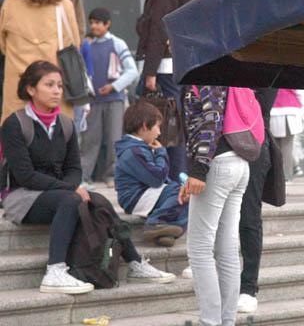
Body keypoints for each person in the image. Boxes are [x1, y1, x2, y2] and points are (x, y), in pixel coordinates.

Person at [0, 61, 175, 294]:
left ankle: (135, 262)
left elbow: (74, 168)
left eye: (60, 86)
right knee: (71, 200)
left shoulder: (66, 124)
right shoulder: (15, 124)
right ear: (31, 89)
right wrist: (68, 189)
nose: (57, 91)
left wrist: (71, 186)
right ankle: (54, 270)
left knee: (100, 201)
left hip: (59, 192)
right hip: (22, 196)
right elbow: (25, 176)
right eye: (49, 85)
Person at [179, 85, 253, 326]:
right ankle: (226, 321)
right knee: (227, 249)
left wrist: (199, 171)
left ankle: (211, 322)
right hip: (237, 163)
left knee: (199, 249)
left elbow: (212, 120)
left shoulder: (205, 70)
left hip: (217, 165)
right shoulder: (222, 67)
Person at [136, 0, 203, 180]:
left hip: (164, 69)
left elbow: (157, 28)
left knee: (167, 127)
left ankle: (173, 182)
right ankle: (181, 178)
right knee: (183, 125)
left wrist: (149, 72)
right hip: (187, 65)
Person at [0, 0, 79, 123]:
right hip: (54, 89)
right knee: (54, 139)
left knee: (16, 137)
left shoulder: (10, 2)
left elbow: (2, 44)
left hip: (18, 87)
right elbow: (73, 45)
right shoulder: (65, 6)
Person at [114, 101, 188, 247]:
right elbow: (156, 178)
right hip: (134, 198)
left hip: (146, 194)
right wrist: (161, 153)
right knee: (180, 192)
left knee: (184, 195)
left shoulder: (139, 147)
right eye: (157, 127)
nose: (159, 133)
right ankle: (156, 223)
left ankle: (165, 233)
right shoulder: (133, 152)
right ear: (144, 126)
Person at [80, 8, 138, 186]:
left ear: (107, 24)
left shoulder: (117, 43)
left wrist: (114, 86)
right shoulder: (86, 45)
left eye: (97, 22)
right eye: (91, 22)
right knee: (90, 139)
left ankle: (112, 175)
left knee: (114, 138)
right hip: (93, 100)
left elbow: (132, 71)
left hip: (114, 99)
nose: (94, 26)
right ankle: (84, 175)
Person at [238, 88, 279, 313]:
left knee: (249, 215)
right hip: (223, 139)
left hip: (254, 139)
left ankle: (249, 286)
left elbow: (262, 103)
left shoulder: (266, 63)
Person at [270, 89, 304, 181]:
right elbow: (300, 93)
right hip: (291, 111)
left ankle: (277, 177)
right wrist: (303, 112)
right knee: (287, 148)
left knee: (275, 149)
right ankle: (286, 177)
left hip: (273, 110)